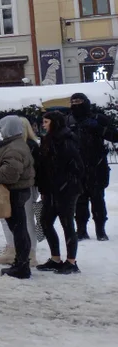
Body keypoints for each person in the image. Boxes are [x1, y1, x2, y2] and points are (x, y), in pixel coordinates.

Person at [0, 116, 35, 279]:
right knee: (19, 229)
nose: (0, 130)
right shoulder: (15, 144)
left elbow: (10, 173)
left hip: (14, 192)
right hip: (16, 192)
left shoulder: (14, 147)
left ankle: (22, 266)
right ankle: (21, 262)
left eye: (2, 127)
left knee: (19, 229)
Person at [35, 111, 83, 274]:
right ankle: (55, 258)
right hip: (51, 189)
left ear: (55, 123)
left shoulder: (66, 140)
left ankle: (71, 261)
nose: (43, 124)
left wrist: (65, 185)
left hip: (66, 190)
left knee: (67, 223)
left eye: (46, 121)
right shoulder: (48, 139)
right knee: (45, 221)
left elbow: (75, 166)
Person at [68, 92, 116, 241]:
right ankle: (81, 230)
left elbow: (115, 136)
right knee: (80, 201)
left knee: (98, 200)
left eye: (79, 100)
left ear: (86, 101)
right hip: (76, 167)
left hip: (96, 166)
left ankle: (100, 230)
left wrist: (100, 129)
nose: (76, 104)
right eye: (73, 101)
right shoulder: (68, 120)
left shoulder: (98, 118)